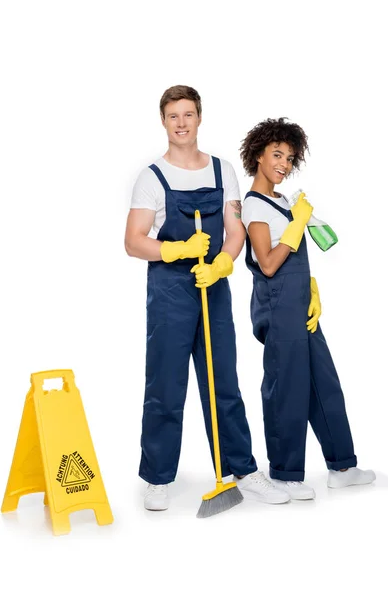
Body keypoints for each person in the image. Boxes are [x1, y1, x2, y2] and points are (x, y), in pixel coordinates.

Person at [125, 86, 290, 510]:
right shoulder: (151, 177)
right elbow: (133, 241)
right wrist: (177, 250)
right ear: (163, 121)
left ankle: (243, 470)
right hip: (169, 292)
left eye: (188, 114)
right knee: (165, 382)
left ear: (200, 118)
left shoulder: (223, 171)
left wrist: (222, 263)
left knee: (223, 381)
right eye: (173, 115)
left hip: (212, 287)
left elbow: (235, 233)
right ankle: (158, 477)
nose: (181, 122)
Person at [240, 117, 375, 500]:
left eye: (290, 157)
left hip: (299, 304)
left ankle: (342, 466)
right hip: (277, 305)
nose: (284, 163)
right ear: (258, 155)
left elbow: (295, 251)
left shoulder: (282, 201)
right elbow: (266, 262)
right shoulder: (254, 205)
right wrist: (297, 225)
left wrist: (312, 290)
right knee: (287, 386)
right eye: (276, 154)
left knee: (324, 383)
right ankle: (284, 472)